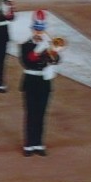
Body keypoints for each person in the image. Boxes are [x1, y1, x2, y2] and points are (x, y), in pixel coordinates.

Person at [19, 10, 62, 157]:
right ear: (32, 29)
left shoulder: (49, 44)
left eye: (41, 29)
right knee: (31, 113)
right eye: (37, 29)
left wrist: (52, 52)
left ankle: (38, 143)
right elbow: (27, 61)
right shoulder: (25, 45)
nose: (39, 32)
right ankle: (29, 144)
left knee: (41, 113)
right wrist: (40, 49)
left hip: (44, 83)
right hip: (31, 81)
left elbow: (56, 60)